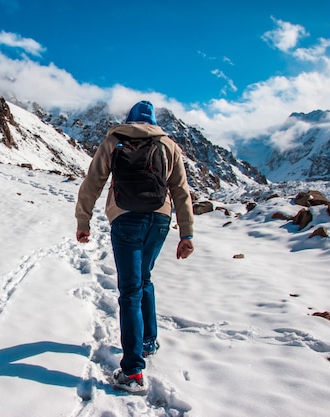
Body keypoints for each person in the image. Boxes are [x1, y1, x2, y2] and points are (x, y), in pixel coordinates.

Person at [75, 100, 194, 393]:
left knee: (129, 289)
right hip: (159, 219)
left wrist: (83, 221)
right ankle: (147, 341)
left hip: (125, 217)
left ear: (129, 119)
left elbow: (93, 182)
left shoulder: (114, 139)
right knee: (144, 279)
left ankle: (132, 372)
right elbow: (180, 190)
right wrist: (186, 233)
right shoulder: (168, 145)